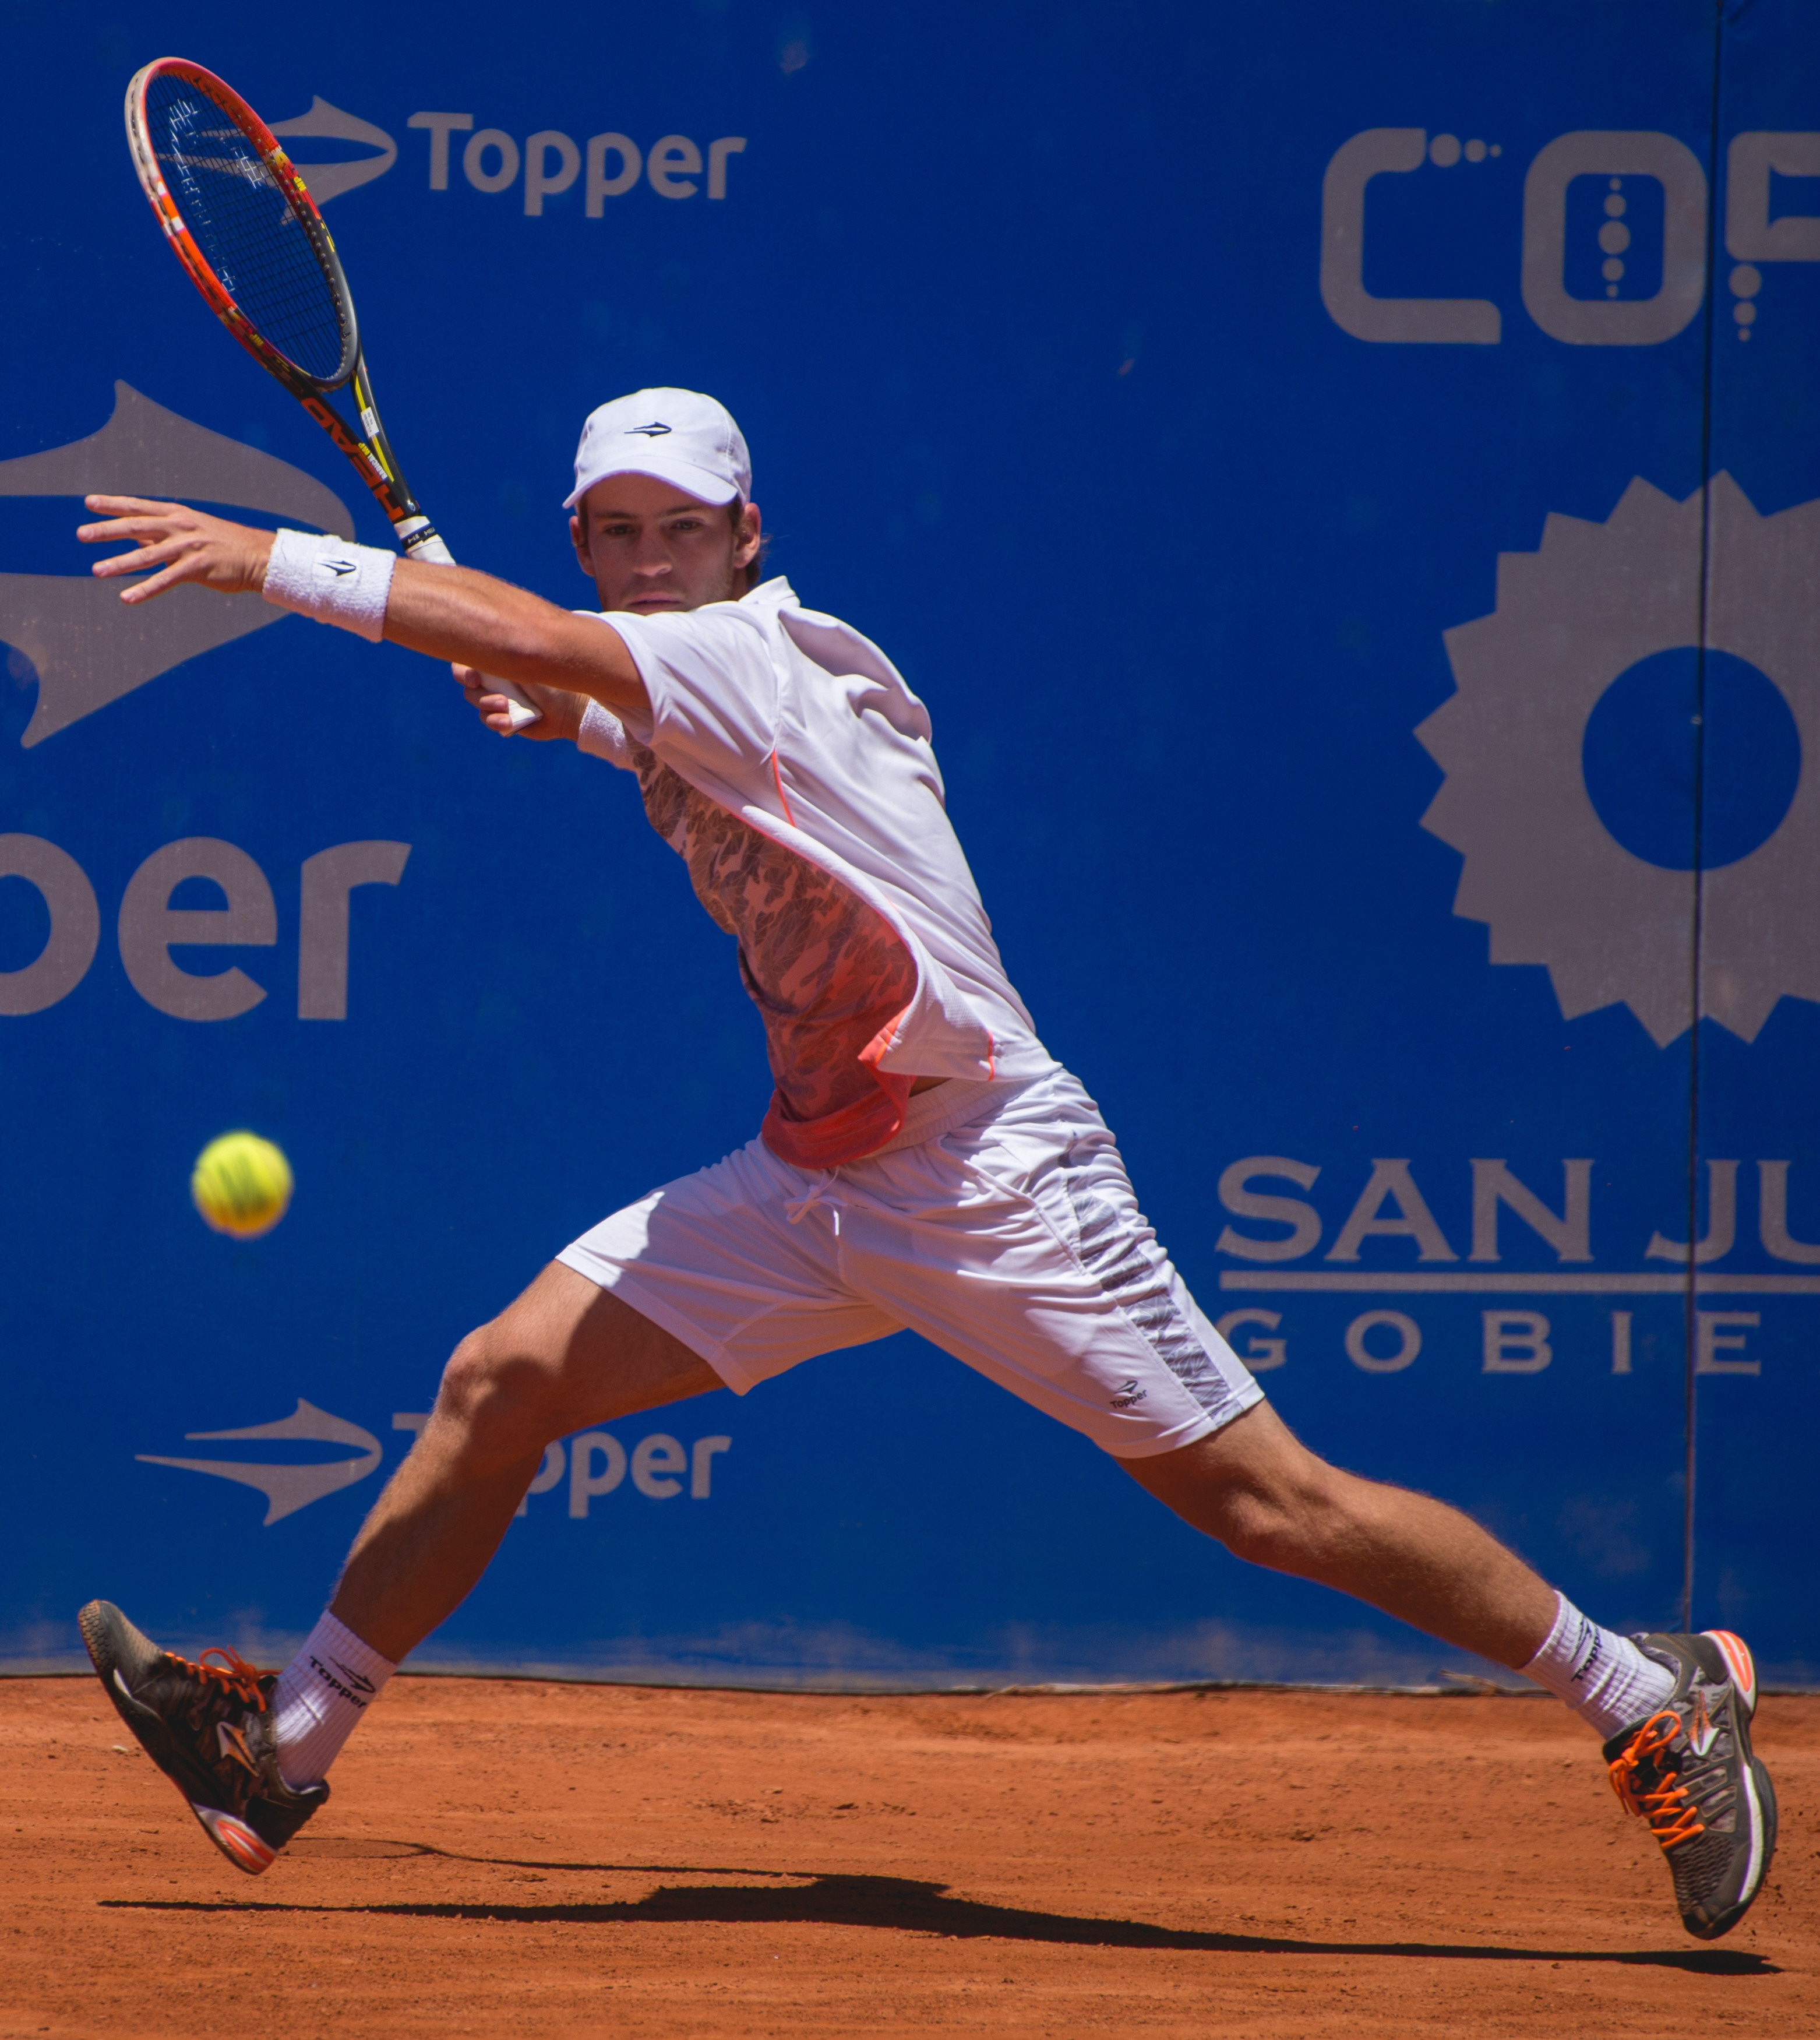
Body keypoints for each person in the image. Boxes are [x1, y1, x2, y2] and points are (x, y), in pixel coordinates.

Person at [75, 389, 1774, 1940]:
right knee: (498, 1378)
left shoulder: (743, 652)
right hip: (809, 1184)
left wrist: (273, 561)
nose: (652, 560)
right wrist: (571, 711)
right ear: (583, 539)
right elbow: (633, 714)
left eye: (683, 531)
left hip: (991, 1176)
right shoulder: (703, 685)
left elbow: (552, 646)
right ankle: (283, 1751)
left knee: (1271, 1506)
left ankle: (1647, 1697)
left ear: (744, 538)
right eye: (619, 534)